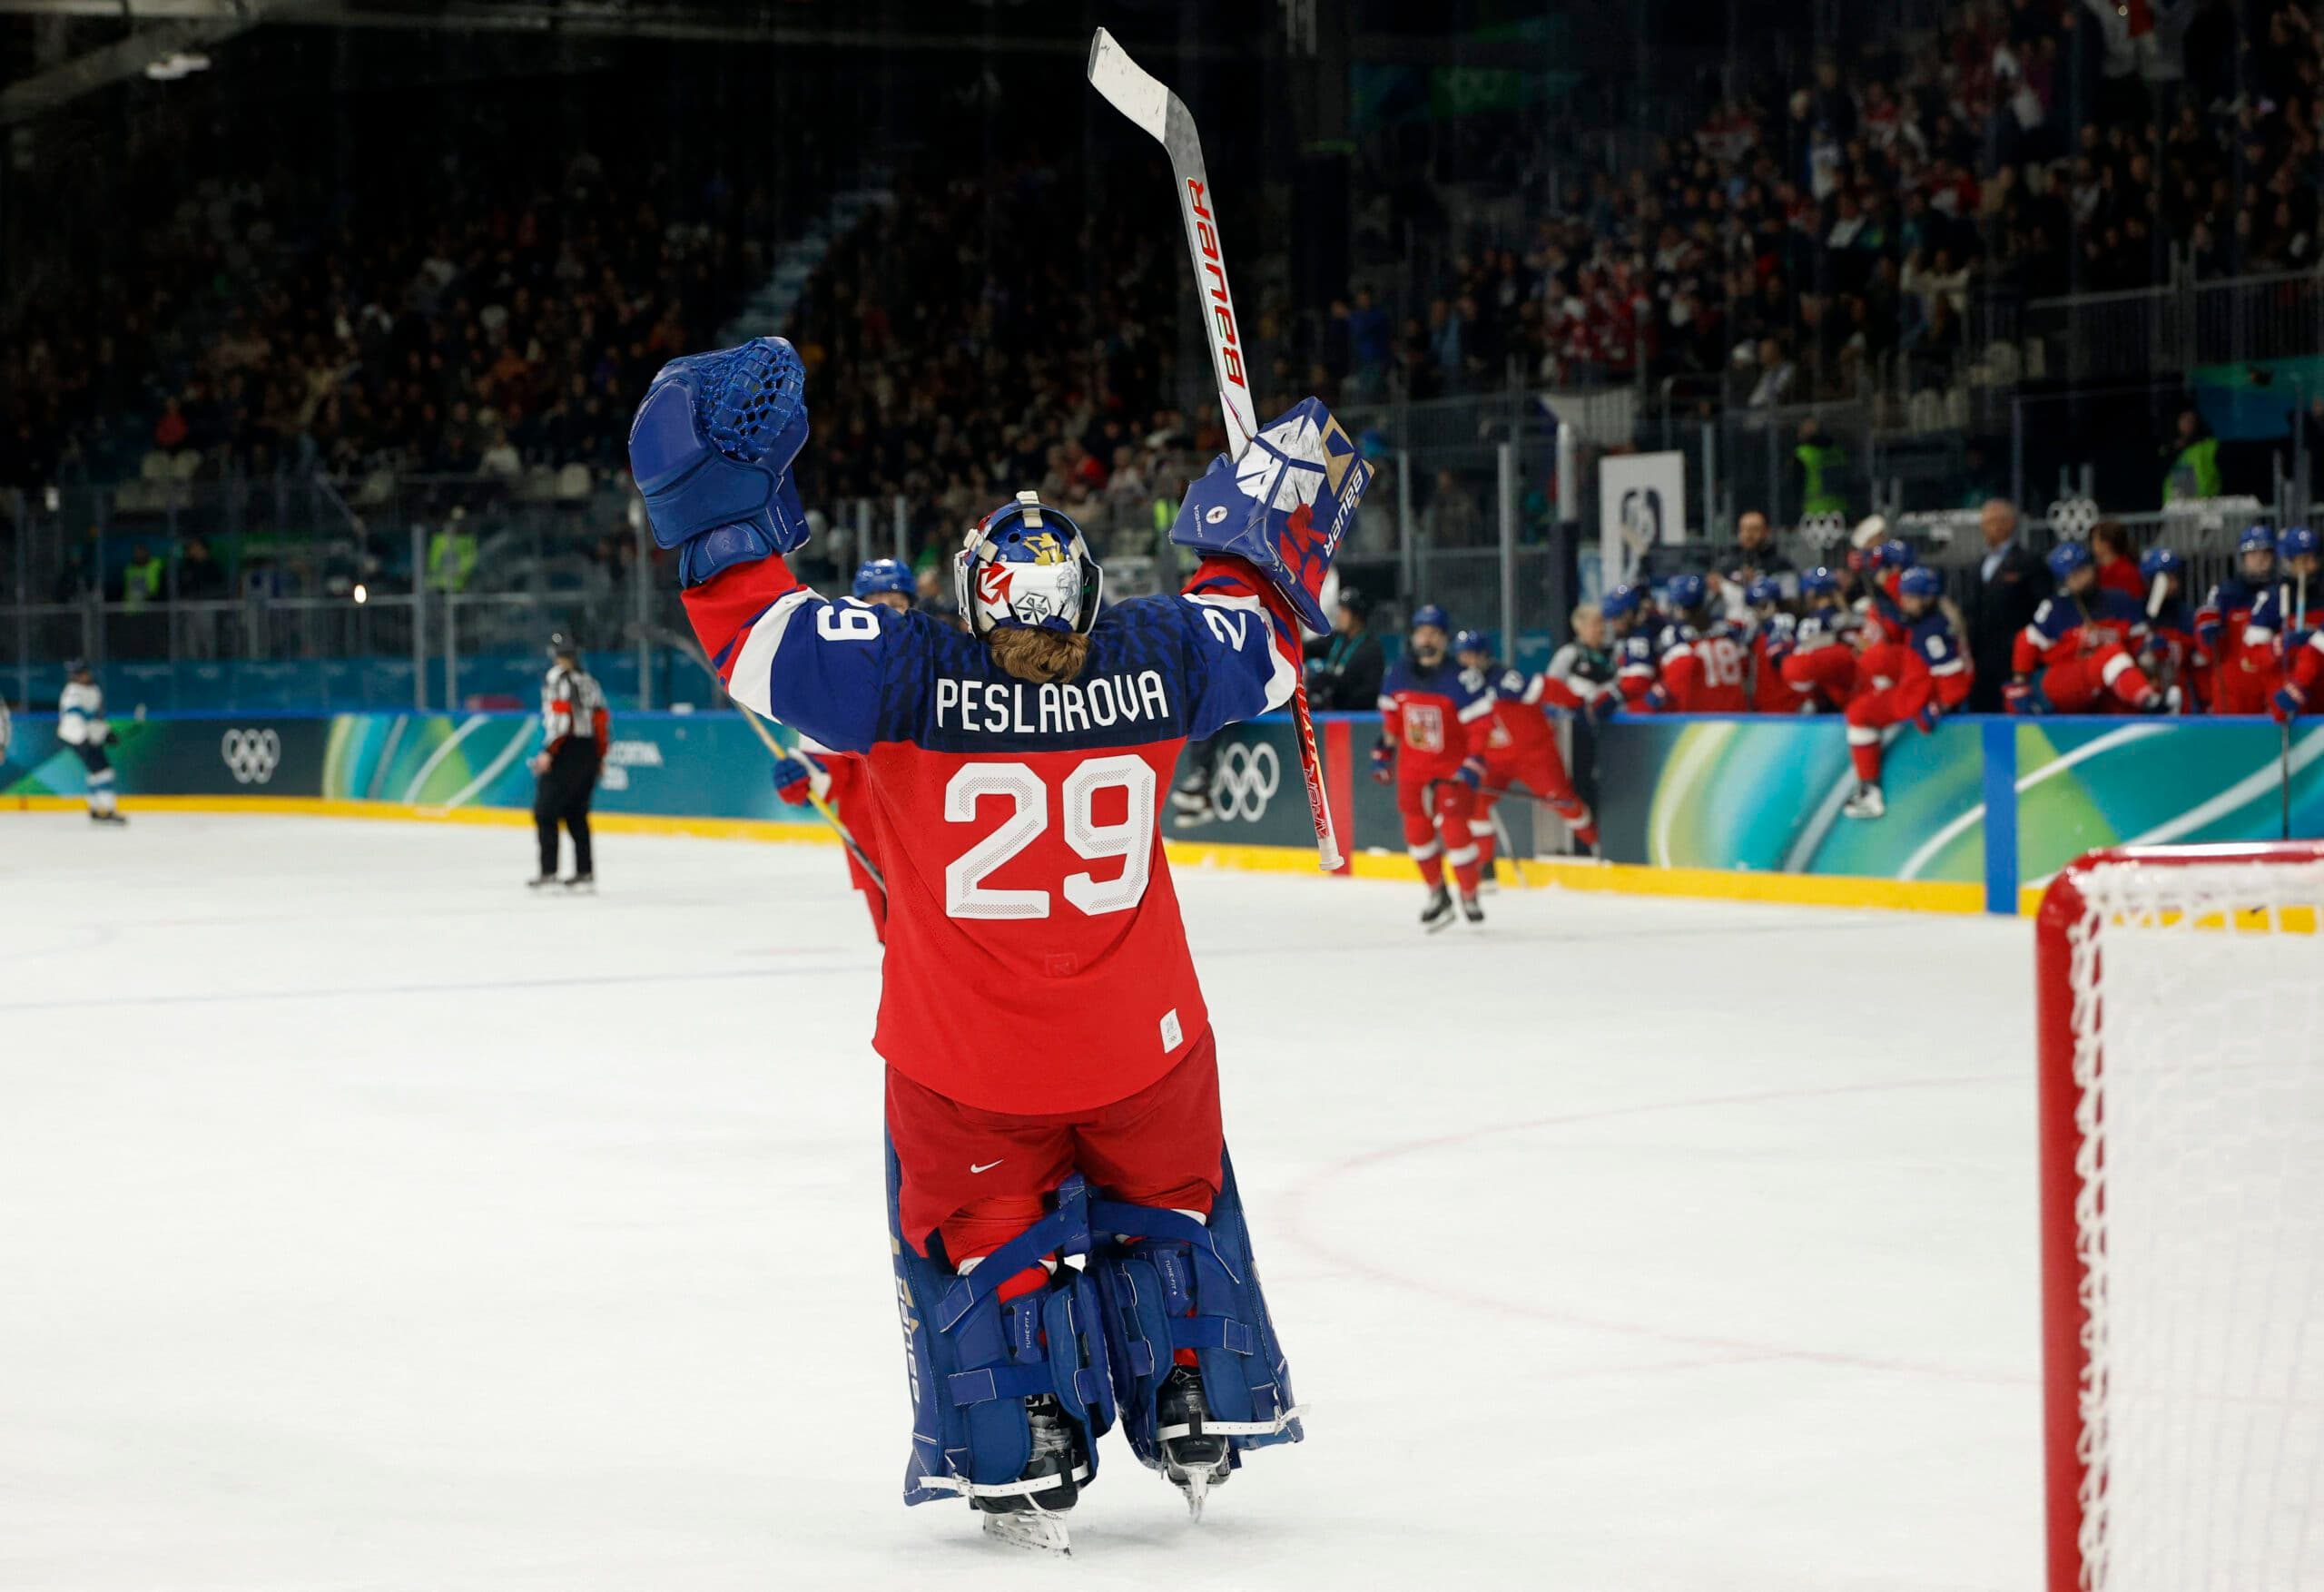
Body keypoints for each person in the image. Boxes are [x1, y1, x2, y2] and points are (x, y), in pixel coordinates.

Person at [628, 337, 1347, 1550]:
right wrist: (1263, 534)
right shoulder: (1158, 655)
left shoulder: (907, 676)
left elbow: (751, 633)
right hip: (1145, 1048)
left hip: (967, 1065)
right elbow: (1268, 640)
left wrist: (710, 487)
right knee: (1174, 1200)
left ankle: (1017, 1438)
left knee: (975, 1245)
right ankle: (1193, 1391)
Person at [769, 557, 911, 941]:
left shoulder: (936, 667)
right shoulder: (837, 683)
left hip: (938, 854)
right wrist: (802, 776)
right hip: (877, 853)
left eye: (893, 601)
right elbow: (827, 770)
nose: (884, 611)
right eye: (873, 602)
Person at [1374, 603, 1493, 930]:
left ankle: (1469, 894)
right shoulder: (1398, 672)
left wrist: (1472, 763)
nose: (1426, 638)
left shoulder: (1463, 678)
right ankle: (1437, 894)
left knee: (1456, 834)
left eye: (1434, 633)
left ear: (1444, 638)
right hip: (1413, 771)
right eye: (1421, 632)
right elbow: (1392, 721)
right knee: (1417, 836)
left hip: (1450, 771)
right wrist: (1384, 750)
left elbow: (1481, 726)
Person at [1452, 628, 1599, 873]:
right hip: (1493, 760)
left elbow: (1546, 686)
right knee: (1473, 801)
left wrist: (1576, 704)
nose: (1466, 662)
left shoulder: (1506, 679)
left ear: (1484, 655)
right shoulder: (1460, 688)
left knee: (1564, 802)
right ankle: (1485, 865)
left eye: (1471, 655)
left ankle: (1596, 844)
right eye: (1462, 656)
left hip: (1534, 757)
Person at [1841, 566, 1974, 819]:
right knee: (1874, 665)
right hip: (1915, 686)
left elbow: (1953, 677)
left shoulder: (1932, 631)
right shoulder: (1932, 621)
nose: (1905, 603)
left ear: (1928, 598)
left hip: (1917, 696)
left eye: (1911, 598)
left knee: (1858, 713)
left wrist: (1940, 706)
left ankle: (1870, 793)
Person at [2007, 544, 2172, 714]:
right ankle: (2147, 699)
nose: (2077, 579)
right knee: (2110, 654)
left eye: (2082, 571)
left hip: (2104, 685)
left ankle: (2155, 707)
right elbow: (2026, 640)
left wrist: (2148, 650)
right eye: (2071, 576)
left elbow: (2139, 642)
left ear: (2093, 568)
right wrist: (2020, 684)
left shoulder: (2120, 600)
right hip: (2065, 678)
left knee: (2128, 688)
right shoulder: (2055, 607)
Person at [527, 632, 608, 889]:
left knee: (545, 811)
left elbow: (561, 721)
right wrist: (600, 755)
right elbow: (601, 720)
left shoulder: (556, 678)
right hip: (588, 750)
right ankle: (585, 872)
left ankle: (549, 872)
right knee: (576, 813)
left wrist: (549, 752)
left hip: (565, 749)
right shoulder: (589, 681)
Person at [1963, 498, 2052, 712]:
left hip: (2014, 657)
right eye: (1986, 522)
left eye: (1996, 521)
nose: (1990, 527)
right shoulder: (1976, 565)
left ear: (2010, 524)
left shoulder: (2029, 561)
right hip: (1980, 659)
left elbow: (2043, 607)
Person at [2197, 526, 2282, 713]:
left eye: (2265, 554)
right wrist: (2206, 632)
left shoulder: (2282, 594)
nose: (2259, 560)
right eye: (2253, 554)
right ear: (2242, 559)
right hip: (2232, 691)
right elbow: (2207, 649)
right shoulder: (2223, 594)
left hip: (2269, 686)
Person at [1640, 573, 1748, 712]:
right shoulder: (1729, 629)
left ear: (1679, 607)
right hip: (1739, 718)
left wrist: (1655, 694)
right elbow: (1745, 667)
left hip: (1700, 719)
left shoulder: (1675, 634)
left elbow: (1675, 680)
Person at [57, 660, 124, 824]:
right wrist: (83, 739)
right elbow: (73, 717)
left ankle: (95, 809)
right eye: (77, 673)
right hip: (76, 736)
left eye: (82, 672)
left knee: (96, 773)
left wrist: (105, 733)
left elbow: (94, 718)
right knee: (104, 772)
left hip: (88, 736)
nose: (81, 676)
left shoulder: (94, 690)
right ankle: (107, 810)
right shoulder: (73, 692)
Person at [2136, 547, 2203, 713]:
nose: (2173, 584)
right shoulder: (2137, 613)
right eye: (2167, 578)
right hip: (2145, 703)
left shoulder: (2185, 615)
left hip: (2182, 702)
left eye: (2174, 577)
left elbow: (2196, 664)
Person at [1781, 566, 1857, 711]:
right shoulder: (1845, 616)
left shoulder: (1810, 621)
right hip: (1844, 686)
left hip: (1816, 690)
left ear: (1812, 593)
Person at [2270, 528, 2324, 721]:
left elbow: (2318, 649)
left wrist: (2297, 686)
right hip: (2301, 697)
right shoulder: (2275, 597)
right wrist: (2278, 646)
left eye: (2312, 559)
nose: (2309, 566)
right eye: (2302, 560)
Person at [1302, 584, 1384, 711]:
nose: (1339, 616)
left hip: (1353, 717)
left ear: (1358, 616)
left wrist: (1338, 687)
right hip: (1327, 712)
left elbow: (1370, 692)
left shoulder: (1372, 649)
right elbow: (1306, 649)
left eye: (1344, 611)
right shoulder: (1336, 638)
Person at [1743, 577, 1799, 712]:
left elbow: (1786, 663)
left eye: (1762, 606)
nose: (1757, 612)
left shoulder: (1785, 627)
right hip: (1763, 705)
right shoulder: (1754, 632)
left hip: (1785, 706)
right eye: (1754, 607)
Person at [2089, 520, 2145, 603]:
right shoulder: (2095, 571)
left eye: (2094, 539)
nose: (2092, 544)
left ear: (2106, 544)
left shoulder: (2127, 572)